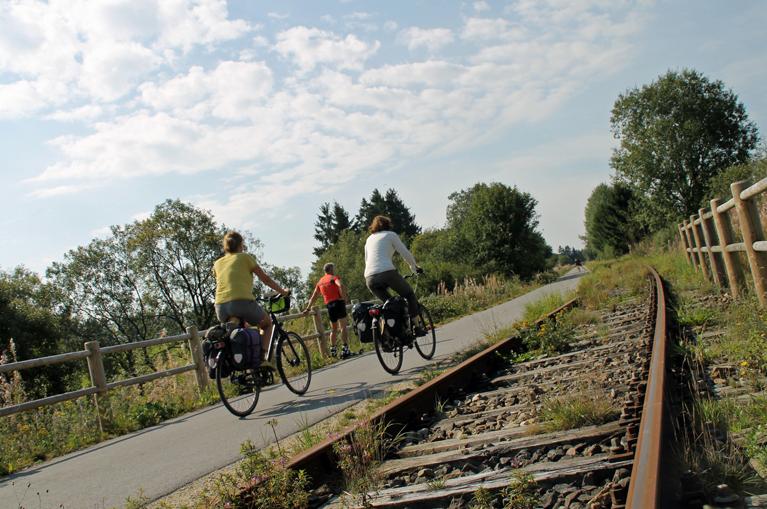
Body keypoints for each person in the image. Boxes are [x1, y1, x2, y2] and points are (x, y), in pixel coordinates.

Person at [213, 231, 289, 368]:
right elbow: (265, 279)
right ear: (241, 245)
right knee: (266, 324)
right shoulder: (245, 257)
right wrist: (282, 291)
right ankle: (262, 358)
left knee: (242, 327)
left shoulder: (217, 263)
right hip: (241, 301)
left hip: (220, 307)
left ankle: (242, 359)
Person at [363, 215, 426, 336]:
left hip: (369, 278)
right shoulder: (390, 235)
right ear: (388, 224)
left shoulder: (369, 239)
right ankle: (417, 328)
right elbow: (405, 253)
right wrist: (414, 267)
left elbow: (367, 260)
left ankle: (392, 335)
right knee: (409, 295)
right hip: (387, 272)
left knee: (390, 305)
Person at [303, 263, 351, 358]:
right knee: (343, 327)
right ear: (331, 269)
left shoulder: (320, 282)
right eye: (334, 269)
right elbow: (340, 285)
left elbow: (314, 296)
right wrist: (344, 298)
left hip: (329, 305)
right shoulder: (334, 278)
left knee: (333, 329)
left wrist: (308, 308)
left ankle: (333, 349)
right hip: (339, 303)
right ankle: (345, 348)